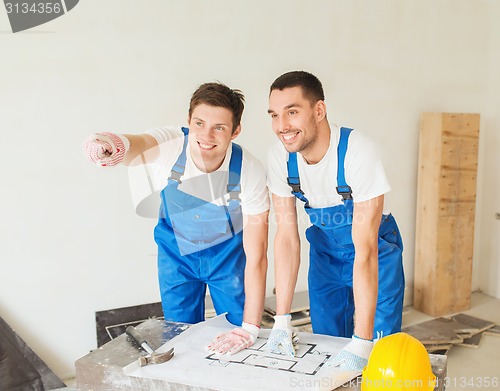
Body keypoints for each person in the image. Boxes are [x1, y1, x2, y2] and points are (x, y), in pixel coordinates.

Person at [82, 82, 269, 355]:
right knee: (180, 337)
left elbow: (257, 255)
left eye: (219, 127)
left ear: (235, 131)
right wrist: (113, 144)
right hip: (177, 259)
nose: (206, 135)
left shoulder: (249, 171)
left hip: (227, 261)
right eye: (199, 123)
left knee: (238, 334)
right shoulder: (171, 144)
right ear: (188, 121)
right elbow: (140, 144)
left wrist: (251, 327)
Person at [264, 71, 405, 371]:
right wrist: (281, 319)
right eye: (274, 115)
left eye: (292, 112)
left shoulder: (358, 152)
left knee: (379, 353)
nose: (281, 126)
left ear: (319, 110)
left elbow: (365, 250)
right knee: (326, 346)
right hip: (326, 257)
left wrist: (362, 341)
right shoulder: (280, 159)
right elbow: (287, 238)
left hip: (375, 253)